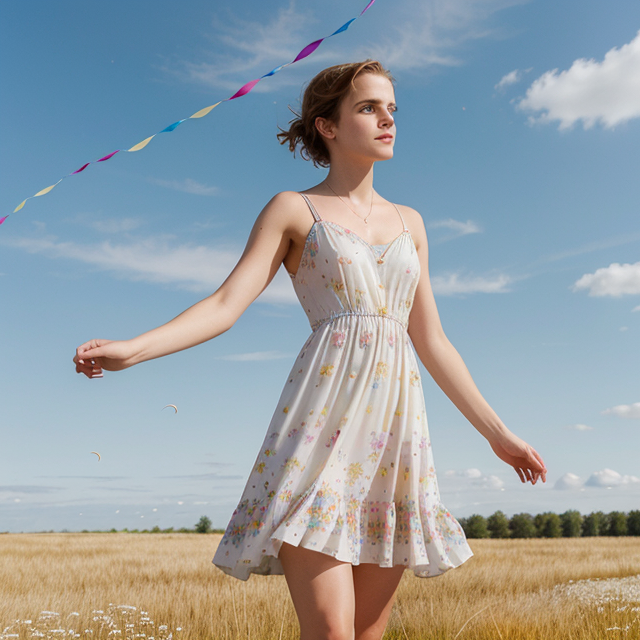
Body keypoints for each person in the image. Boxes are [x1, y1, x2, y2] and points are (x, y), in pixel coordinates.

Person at [74, 60, 547, 640]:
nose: (387, 120)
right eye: (369, 108)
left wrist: (498, 433)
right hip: (320, 439)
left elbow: (431, 339)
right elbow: (225, 304)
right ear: (327, 125)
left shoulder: (412, 223)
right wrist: (133, 350)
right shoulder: (294, 209)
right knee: (331, 632)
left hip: (394, 446)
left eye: (392, 109)